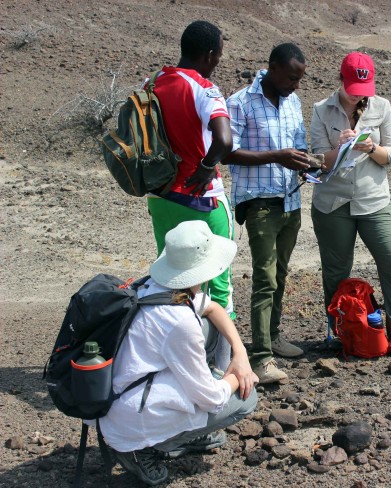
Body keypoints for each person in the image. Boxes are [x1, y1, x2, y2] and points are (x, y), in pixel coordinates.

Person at [100, 221, 259, 486]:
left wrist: (240, 353)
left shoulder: (153, 287)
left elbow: (213, 308)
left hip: (122, 392)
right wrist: (239, 376)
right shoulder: (178, 320)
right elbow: (211, 398)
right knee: (246, 398)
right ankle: (142, 450)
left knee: (211, 327)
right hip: (130, 415)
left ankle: (178, 430)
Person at [310, 51, 391, 361]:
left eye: (364, 89)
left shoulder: (382, 107)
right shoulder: (321, 110)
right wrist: (341, 148)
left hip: (374, 201)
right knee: (336, 273)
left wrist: (372, 147)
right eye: (353, 88)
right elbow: (318, 162)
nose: (358, 95)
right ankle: (342, 333)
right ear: (341, 80)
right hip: (332, 203)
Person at [144, 20, 234, 371]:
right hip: (202, 198)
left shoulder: (152, 82)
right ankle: (222, 367)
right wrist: (208, 165)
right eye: (218, 57)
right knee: (218, 283)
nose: (217, 63)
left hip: (160, 196)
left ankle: (175, 362)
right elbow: (223, 140)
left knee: (173, 278)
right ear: (209, 54)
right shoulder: (204, 88)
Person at [223, 43, 312, 384]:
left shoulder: (293, 101)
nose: (296, 85)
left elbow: (298, 144)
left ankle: (272, 337)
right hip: (260, 202)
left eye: (299, 79)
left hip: (290, 201)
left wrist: (306, 164)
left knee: (282, 273)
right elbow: (227, 153)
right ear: (272, 68)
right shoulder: (240, 102)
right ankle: (260, 357)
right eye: (291, 77)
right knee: (264, 278)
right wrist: (278, 156)